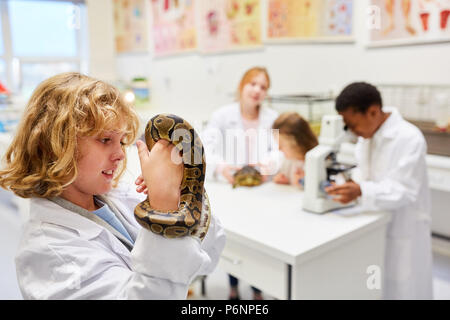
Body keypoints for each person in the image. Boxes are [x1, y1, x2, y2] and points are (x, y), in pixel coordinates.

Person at [0, 72, 226, 299]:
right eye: (105, 140)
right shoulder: (48, 252)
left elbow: (209, 251)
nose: (120, 154)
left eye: (122, 141)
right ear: (55, 145)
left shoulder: (118, 197)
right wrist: (163, 208)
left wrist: (176, 191)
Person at [325, 82, 433, 300]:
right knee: (375, 285)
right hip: (373, 225)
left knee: (405, 288)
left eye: (352, 124)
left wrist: (361, 191)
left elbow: (403, 191)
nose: (351, 132)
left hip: (404, 227)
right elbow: (363, 176)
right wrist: (347, 186)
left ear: (372, 112)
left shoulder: (409, 138)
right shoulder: (367, 137)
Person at [202, 66, 279, 300]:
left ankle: (257, 289)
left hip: (261, 190)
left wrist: (267, 165)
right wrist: (222, 168)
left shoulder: (272, 118)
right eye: (253, 84)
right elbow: (205, 148)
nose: (257, 90)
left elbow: (279, 150)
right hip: (231, 189)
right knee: (232, 241)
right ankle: (233, 287)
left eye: (263, 87)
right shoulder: (222, 115)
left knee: (258, 239)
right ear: (242, 86)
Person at [272, 112, 318, 187]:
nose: (279, 149)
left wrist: (304, 183)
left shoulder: (315, 163)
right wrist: (281, 179)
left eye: (281, 145)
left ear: (298, 144)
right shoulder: (288, 161)